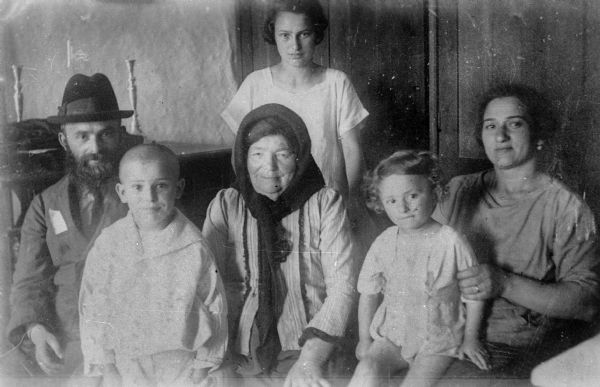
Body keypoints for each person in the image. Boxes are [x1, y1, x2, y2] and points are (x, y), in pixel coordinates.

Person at [434, 84, 600, 377]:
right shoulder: (459, 190)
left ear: (538, 136)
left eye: (515, 124)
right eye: (491, 126)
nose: (500, 136)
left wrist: (505, 284)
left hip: (511, 349)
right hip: (443, 332)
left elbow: (588, 303)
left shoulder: (565, 207)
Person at [203, 103, 357, 386]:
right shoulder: (226, 204)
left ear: (299, 157)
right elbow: (207, 287)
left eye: (282, 155)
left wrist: (310, 360)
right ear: (243, 158)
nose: (269, 168)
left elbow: (343, 287)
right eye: (257, 154)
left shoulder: (325, 203)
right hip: (239, 348)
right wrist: (214, 359)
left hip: (309, 343)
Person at [5, 73, 134, 378]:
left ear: (120, 134)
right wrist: (37, 333)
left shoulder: (141, 197)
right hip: (63, 339)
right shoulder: (44, 205)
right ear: (64, 140)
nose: (95, 148)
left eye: (106, 134)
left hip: (126, 339)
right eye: (83, 136)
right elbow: (29, 282)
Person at [79, 144, 228, 386]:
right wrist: (106, 368)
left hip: (182, 364)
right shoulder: (108, 245)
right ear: (122, 192)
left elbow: (215, 308)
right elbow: (92, 308)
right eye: (137, 187)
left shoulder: (194, 246)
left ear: (178, 188)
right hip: (126, 364)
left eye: (161, 186)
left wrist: (202, 369)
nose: (149, 198)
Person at [348, 150, 489, 387]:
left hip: (437, 339)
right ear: (381, 203)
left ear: (434, 192)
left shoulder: (451, 240)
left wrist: (471, 339)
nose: (403, 207)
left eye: (412, 195)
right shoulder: (384, 241)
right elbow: (368, 292)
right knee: (367, 371)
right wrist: (364, 340)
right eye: (392, 201)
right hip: (393, 335)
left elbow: (474, 295)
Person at [220, 0, 369, 223]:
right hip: (271, 205)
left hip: (328, 205)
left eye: (304, 34)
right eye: (285, 35)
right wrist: (258, 199)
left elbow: (352, 151)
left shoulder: (336, 82)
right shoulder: (255, 84)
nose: (295, 46)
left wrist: (349, 200)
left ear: (316, 34)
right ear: (274, 35)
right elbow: (239, 154)